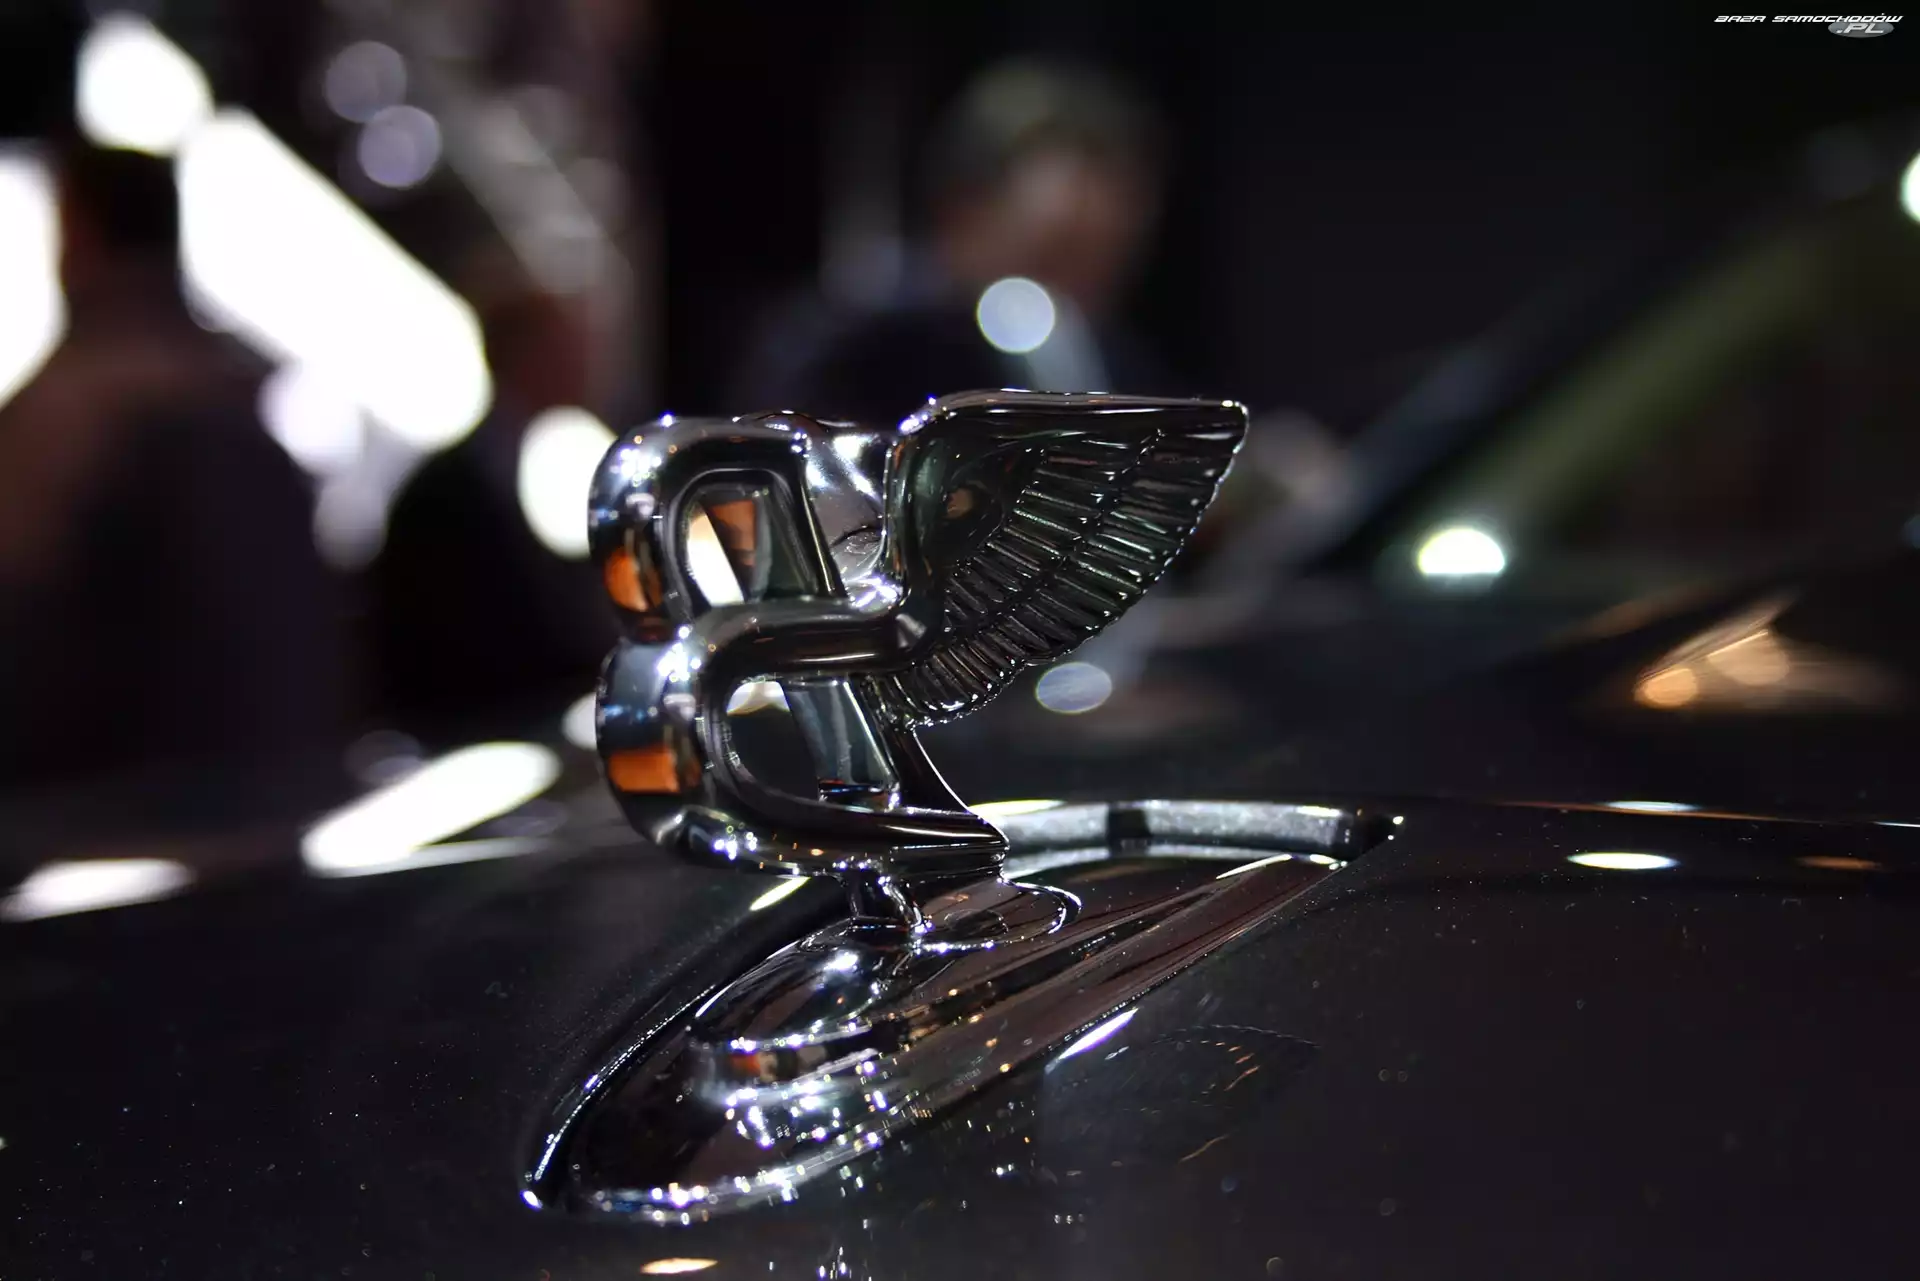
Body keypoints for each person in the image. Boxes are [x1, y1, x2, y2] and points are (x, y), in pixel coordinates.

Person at [0, 142, 349, 784]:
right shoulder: (238, 395)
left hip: (103, 810)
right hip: (275, 788)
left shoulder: (63, 417)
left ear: (79, 234)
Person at [734, 60, 1172, 425]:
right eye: (1059, 253)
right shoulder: (855, 351)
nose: (1081, 291)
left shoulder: (1122, 368)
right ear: (961, 212)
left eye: (1111, 256)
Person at [368, 280, 611, 733]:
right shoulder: (444, 493)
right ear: (522, 357)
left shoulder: (519, 469)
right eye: (562, 349)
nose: (585, 366)